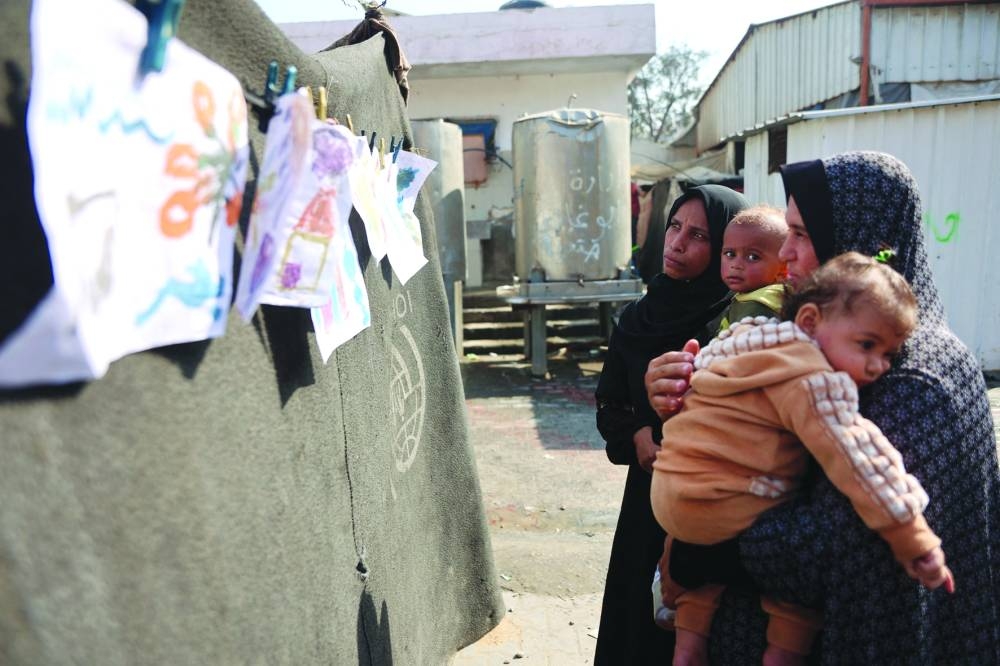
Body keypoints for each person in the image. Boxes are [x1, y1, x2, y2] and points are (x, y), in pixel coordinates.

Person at [646, 151, 1000, 663]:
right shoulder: (815, 342)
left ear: (858, 245)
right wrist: (679, 398)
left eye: (802, 234)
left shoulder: (909, 378)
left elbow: (838, 548)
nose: (784, 252)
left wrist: (699, 547)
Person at [652, 252, 953, 666]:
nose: (878, 366)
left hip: (672, 494)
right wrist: (914, 539)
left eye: (889, 354)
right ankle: (782, 655)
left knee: (701, 562)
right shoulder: (814, 379)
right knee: (799, 578)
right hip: (724, 503)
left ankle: (687, 647)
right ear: (810, 322)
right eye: (867, 345)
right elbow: (860, 459)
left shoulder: (748, 337)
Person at [594, 184, 749, 665]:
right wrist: (637, 435)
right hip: (646, 503)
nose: (677, 243)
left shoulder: (738, 325)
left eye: (699, 235)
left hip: (710, 505)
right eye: (675, 227)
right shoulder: (637, 317)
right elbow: (610, 401)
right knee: (635, 628)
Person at [715, 205, 788, 331]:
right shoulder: (747, 296)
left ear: (783, 269)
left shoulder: (759, 307)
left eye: (753, 257)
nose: (736, 265)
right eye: (730, 254)